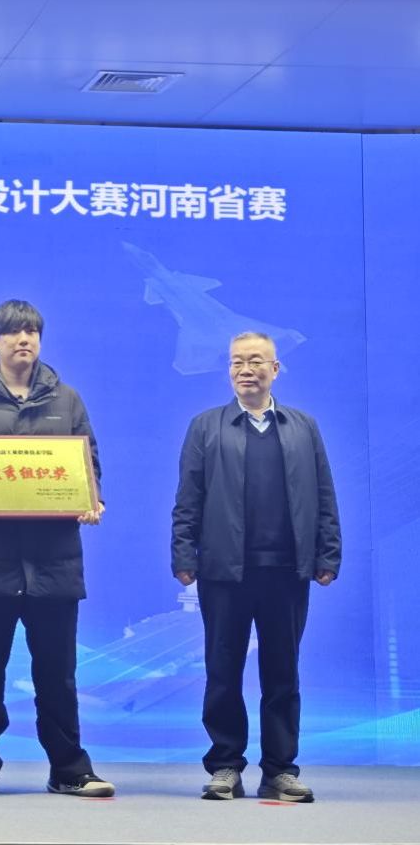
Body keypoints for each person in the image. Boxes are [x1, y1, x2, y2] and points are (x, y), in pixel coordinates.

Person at [0, 299, 111, 799]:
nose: (24, 340)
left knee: (58, 675)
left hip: (54, 560)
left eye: (32, 332)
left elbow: (89, 464)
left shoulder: (68, 400)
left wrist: (92, 499)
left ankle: (69, 769)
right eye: (14, 332)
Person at [171, 332, 341, 804]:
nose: (246, 370)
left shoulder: (303, 427)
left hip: (287, 571)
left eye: (256, 361)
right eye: (237, 362)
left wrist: (328, 554)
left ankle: (280, 770)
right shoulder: (206, 426)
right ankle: (225, 765)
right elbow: (188, 499)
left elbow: (324, 495)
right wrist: (183, 554)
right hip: (225, 572)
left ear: (275, 369)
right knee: (222, 671)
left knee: (282, 673)